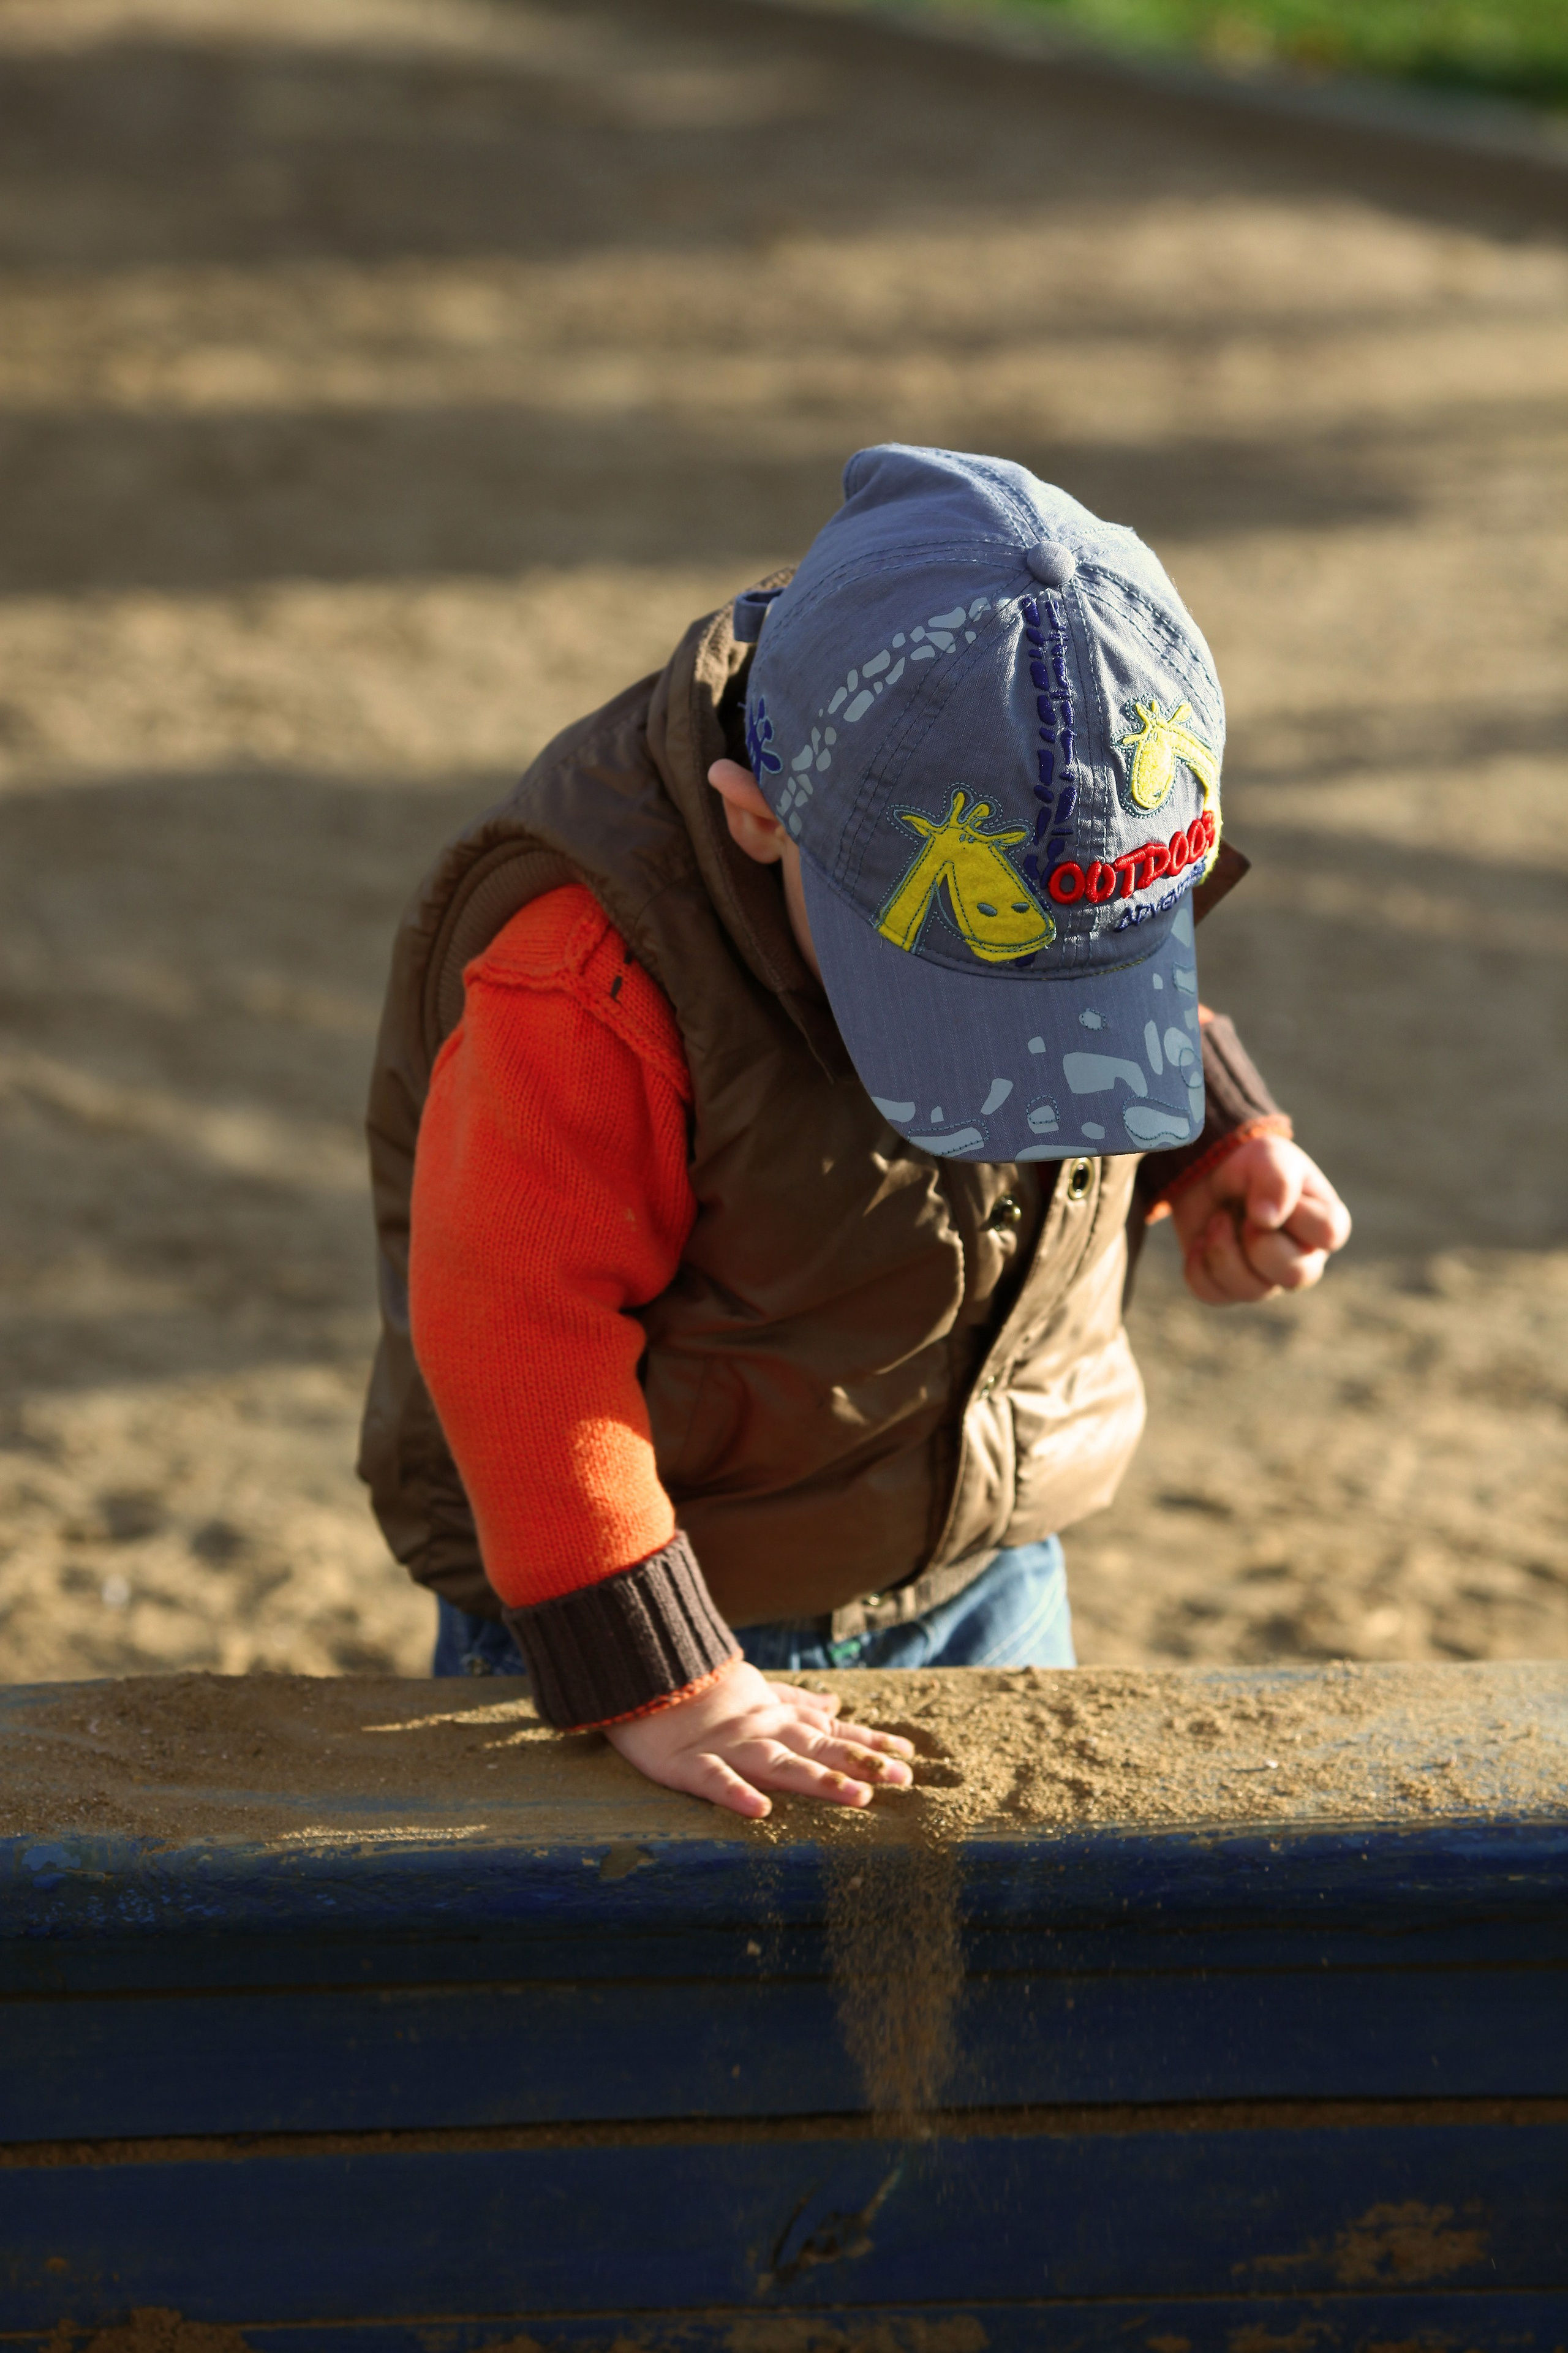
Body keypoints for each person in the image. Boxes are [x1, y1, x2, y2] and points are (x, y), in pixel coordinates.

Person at [360, 445, 1349, 1820]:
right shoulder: (584, 984)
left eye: (1075, 979)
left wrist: (1213, 1140)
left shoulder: (1040, 834)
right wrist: (662, 1678)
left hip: (980, 1574)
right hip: (655, 1610)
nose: (1027, 1030)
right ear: (757, 821)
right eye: (959, 994)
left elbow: (1075, 958)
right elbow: (512, 1328)